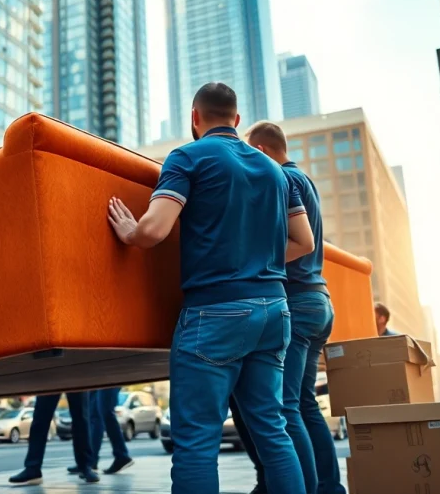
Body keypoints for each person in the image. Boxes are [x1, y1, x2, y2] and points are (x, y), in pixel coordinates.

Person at [107, 82, 313, 494]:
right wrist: (260, 260)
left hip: (216, 312)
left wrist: (132, 231)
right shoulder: (275, 171)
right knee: (273, 433)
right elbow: (303, 242)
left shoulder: (188, 157)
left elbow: (155, 229)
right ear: (237, 120)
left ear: (195, 119)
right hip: (275, 312)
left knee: (197, 443)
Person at [232, 121, 346, 494]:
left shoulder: (283, 179)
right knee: (305, 404)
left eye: (252, 154)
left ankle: (306, 488)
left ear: (262, 152)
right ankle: (329, 487)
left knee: (284, 406)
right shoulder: (304, 179)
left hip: (298, 301)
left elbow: (302, 243)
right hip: (318, 301)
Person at [8, 392, 99, 485]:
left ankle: (85, 466)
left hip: (73, 378)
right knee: (40, 418)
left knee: (81, 418)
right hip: (51, 378)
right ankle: (32, 468)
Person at [71, 388, 133, 475]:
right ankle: (90, 460)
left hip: (108, 377)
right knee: (95, 415)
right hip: (96, 379)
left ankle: (121, 454)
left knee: (104, 411)